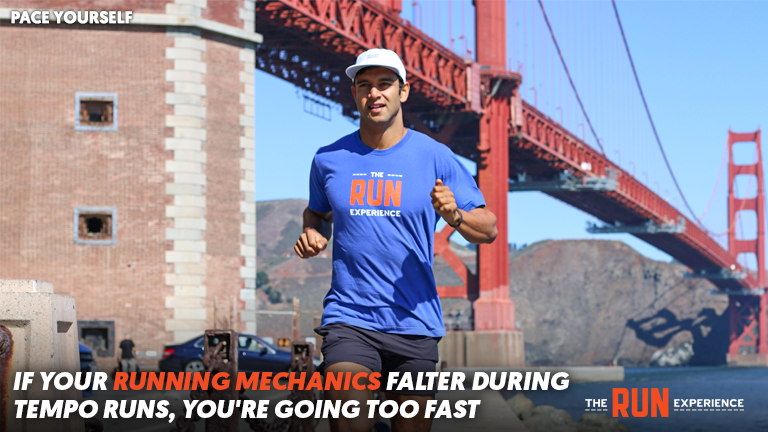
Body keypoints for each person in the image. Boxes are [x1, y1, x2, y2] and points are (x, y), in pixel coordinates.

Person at [294, 48, 498, 432]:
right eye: (365, 85)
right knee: (350, 425)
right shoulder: (328, 159)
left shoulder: (435, 156)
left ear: (403, 92)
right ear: (354, 94)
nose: (375, 94)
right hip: (349, 319)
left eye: (385, 84)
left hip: (414, 323)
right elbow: (317, 213)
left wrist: (455, 215)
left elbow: (488, 229)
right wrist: (312, 233)